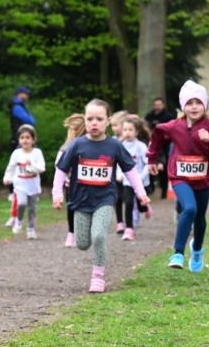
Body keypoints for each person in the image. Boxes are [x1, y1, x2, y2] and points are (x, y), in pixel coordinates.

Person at [53, 100, 149, 292]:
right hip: (80, 201)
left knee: (98, 236)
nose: (94, 123)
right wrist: (57, 194)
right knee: (82, 243)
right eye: (90, 119)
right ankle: (89, 251)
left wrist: (141, 193)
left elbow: (130, 171)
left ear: (108, 121)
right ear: (85, 120)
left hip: (105, 199)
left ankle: (98, 277)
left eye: (99, 119)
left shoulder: (114, 145)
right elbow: (61, 169)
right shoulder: (77, 145)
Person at [147, 80, 209, 273]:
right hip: (179, 177)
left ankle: (197, 249)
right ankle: (178, 254)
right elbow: (158, 134)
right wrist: (152, 159)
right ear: (183, 106)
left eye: (198, 102)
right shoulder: (175, 126)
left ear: (205, 105)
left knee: (200, 219)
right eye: (189, 103)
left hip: (202, 179)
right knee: (189, 208)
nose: (194, 107)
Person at [3, 124, 45, 239]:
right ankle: (19, 220)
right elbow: (10, 167)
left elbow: (42, 168)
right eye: (22, 138)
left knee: (32, 208)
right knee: (21, 203)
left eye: (27, 137)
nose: (25, 140)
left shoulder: (37, 153)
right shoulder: (16, 153)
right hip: (20, 184)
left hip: (33, 186)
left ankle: (31, 229)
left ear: (33, 139)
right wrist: (7, 177)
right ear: (19, 140)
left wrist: (31, 167)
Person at [117, 116, 151, 241]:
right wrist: (119, 175)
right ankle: (129, 229)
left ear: (136, 132)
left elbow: (148, 163)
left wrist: (141, 177)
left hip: (141, 181)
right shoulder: (121, 146)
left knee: (141, 205)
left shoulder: (141, 146)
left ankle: (146, 207)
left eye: (130, 130)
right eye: (125, 129)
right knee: (129, 203)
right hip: (127, 181)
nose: (127, 132)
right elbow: (119, 163)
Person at [56, 113, 86, 247]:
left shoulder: (90, 146)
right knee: (71, 208)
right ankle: (71, 233)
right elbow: (59, 165)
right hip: (71, 184)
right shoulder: (65, 148)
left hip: (88, 184)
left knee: (86, 208)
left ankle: (84, 231)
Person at [144, 98, 174, 199]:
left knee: (163, 169)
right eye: (155, 105)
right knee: (150, 164)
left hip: (165, 144)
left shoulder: (168, 116)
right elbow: (145, 127)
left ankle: (164, 191)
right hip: (152, 142)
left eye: (159, 104)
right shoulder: (149, 116)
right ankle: (151, 187)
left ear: (163, 105)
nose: (157, 107)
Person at [8, 85, 35, 150]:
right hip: (20, 141)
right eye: (25, 93)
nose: (27, 95)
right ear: (20, 94)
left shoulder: (18, 105)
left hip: (21, 139)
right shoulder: (17, 107)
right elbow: (31, 121)